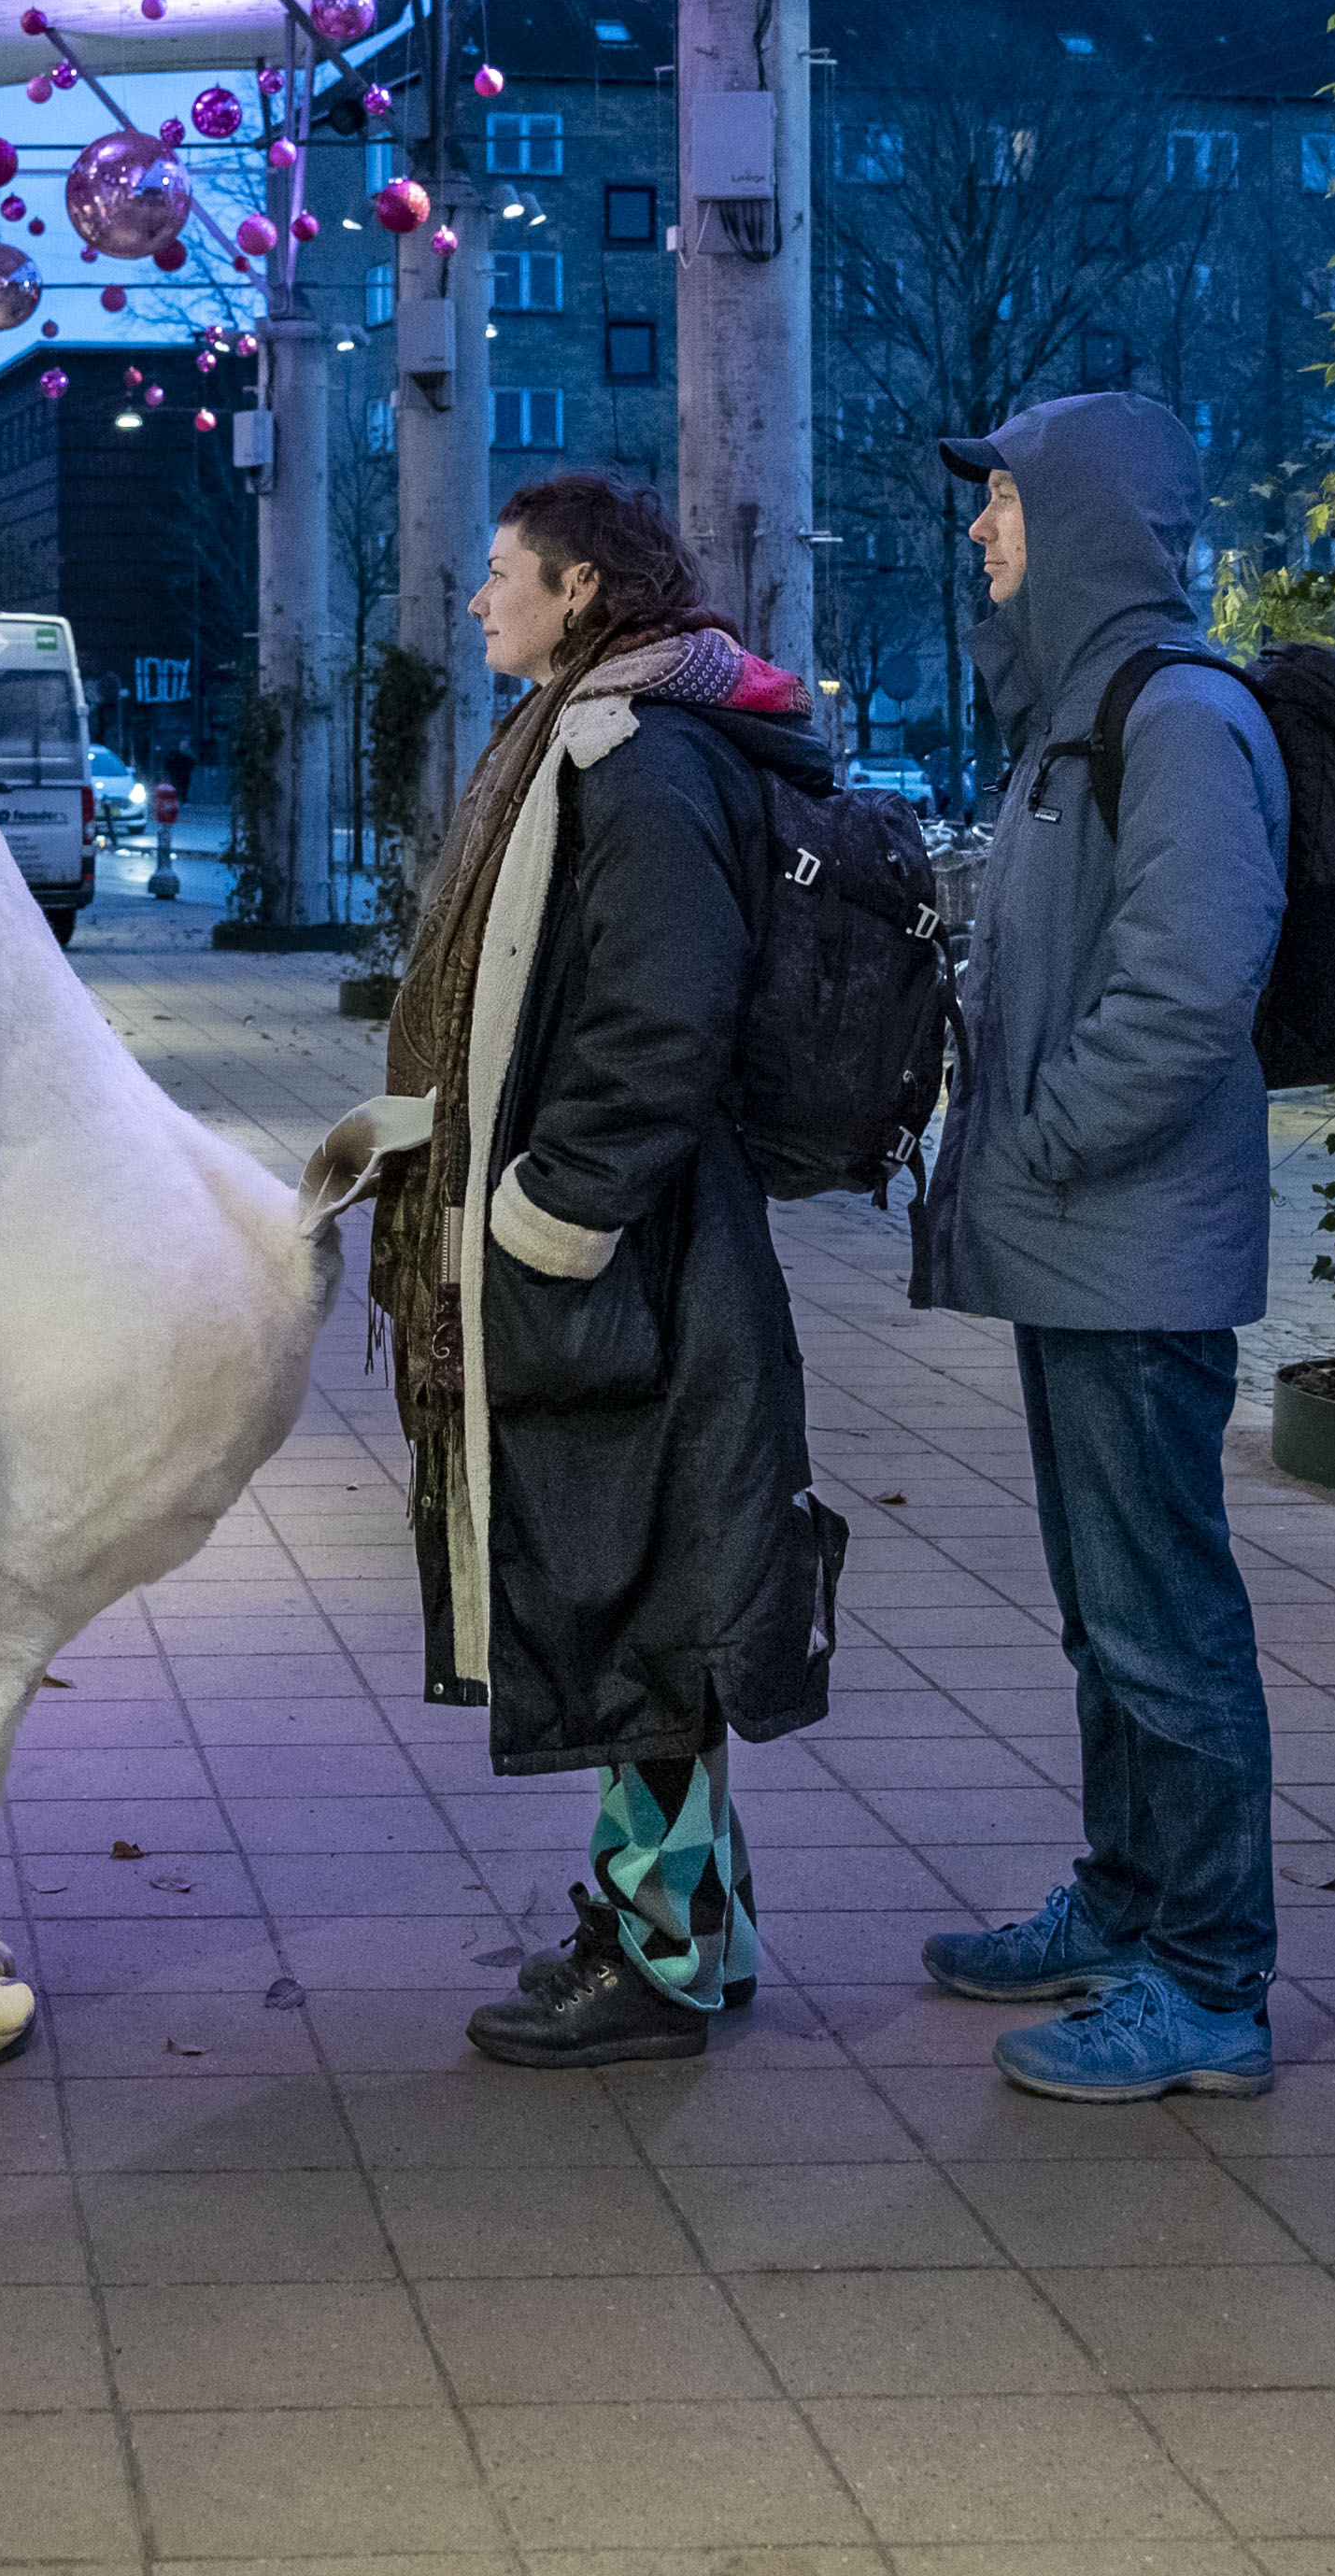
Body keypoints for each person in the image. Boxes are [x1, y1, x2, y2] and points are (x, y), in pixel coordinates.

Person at [371, 474, 841, 2067]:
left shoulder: (637, 758)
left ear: (580, 589)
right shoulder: (595, 739)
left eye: (503, 571)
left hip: (632, 1254)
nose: (479, 597)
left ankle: (656, 1955)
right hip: (639, 1244)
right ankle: (702, 1923)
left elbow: (660, 1013)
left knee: (639, 1592)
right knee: (642, 1577)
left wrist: (546, 1213)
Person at [906, 393, 1294, 2102]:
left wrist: (1046, 1139)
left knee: (1162, 1621)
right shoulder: (1075, 718)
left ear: (1080, 520)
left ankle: (1207, 1979)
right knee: (1106, 1614)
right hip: (1084, 1240)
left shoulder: (1179, 714)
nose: (979, 528)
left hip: (1128, 1239)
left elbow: (1187, 984)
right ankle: (1127, 1903)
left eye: (1001, 500)